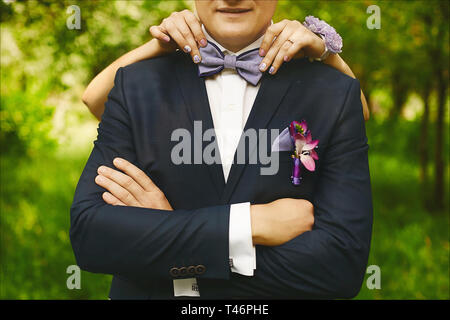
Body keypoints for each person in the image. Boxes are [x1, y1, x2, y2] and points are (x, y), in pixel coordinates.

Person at [70, 0, 373, 299]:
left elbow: (342, 267)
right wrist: (248, 226)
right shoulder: (134, 83)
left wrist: (164, 238)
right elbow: (92, 237)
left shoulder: (334, 92)